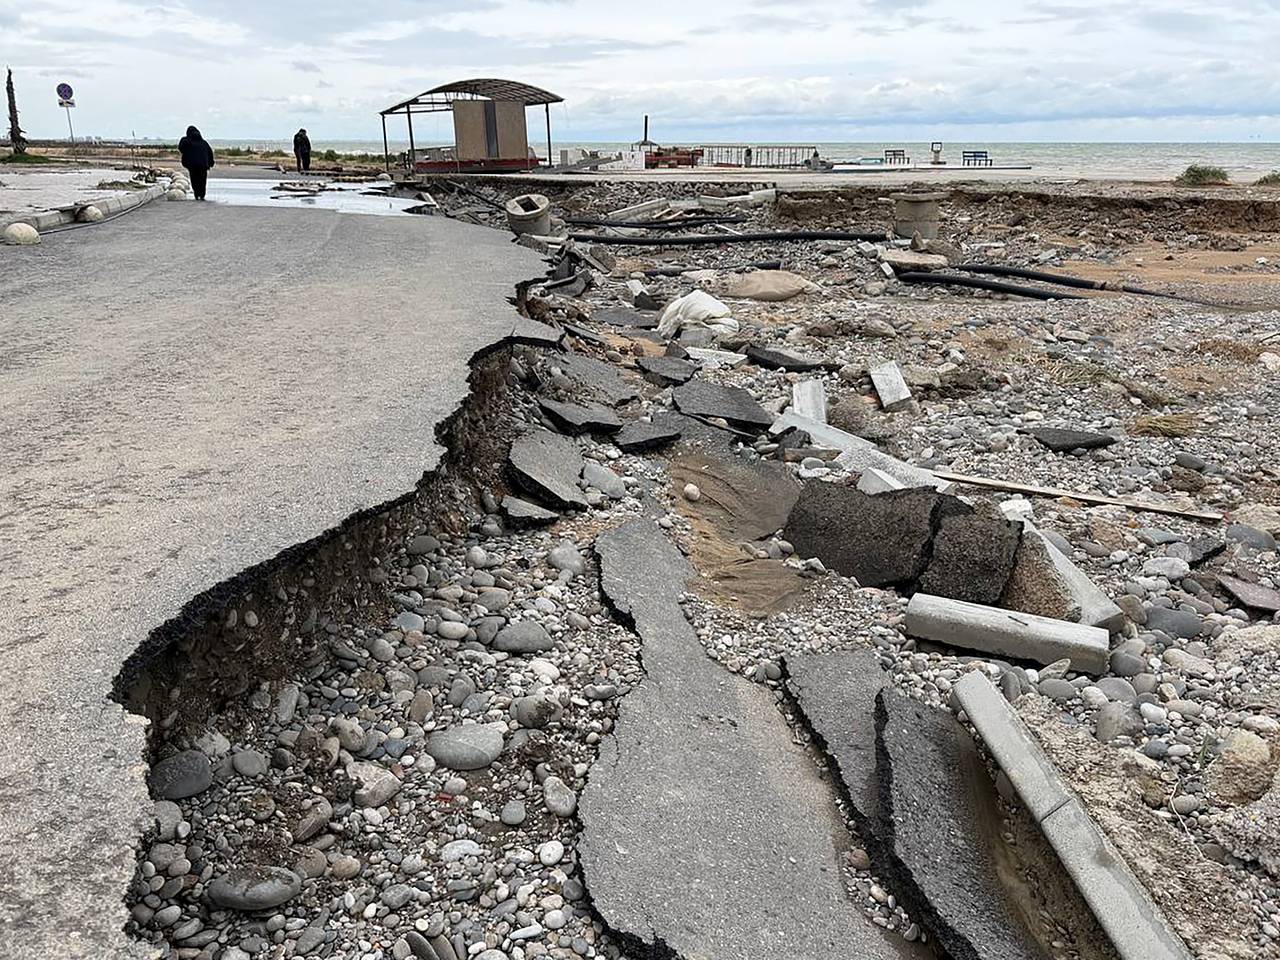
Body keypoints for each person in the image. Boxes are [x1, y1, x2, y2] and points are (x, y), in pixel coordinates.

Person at [177, 125, 214, 200]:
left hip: (192, 165)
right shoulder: (204, 143)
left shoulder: (186, 141)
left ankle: (197, 194)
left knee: (194, 180)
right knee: (202, 180)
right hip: (203, 165)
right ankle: (202, 194)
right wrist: (211, 163)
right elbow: (210, 153)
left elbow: (181, 148)